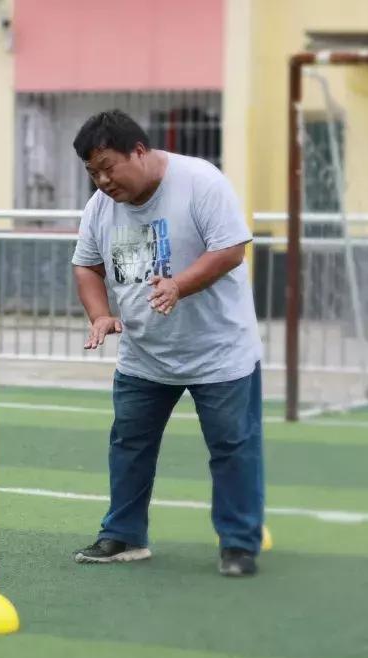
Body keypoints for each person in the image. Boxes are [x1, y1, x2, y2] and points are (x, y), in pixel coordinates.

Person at [69, 110, 265, 577]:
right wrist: (101, 315)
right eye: (92, 172)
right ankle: (124, 535)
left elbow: (231, 249)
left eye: (108, 166)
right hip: (145, 354)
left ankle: (238, 544)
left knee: (232, 446)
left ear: (139, 150)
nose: (101, 180)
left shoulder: (200, 182)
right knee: (129, 444)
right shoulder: (101, 207)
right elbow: (86, 266)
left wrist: (179, 285)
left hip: (219, 352)